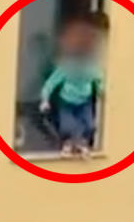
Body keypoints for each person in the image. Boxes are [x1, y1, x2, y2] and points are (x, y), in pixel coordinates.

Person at [39, 11, 107, 158]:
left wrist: (102, 90)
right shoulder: (67, 66)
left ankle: (82, 143)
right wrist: (45, 100)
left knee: (89, 124)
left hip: (84, 100)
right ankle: (69, 143)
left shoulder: (90, 66)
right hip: (67, 100)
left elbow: (98, 79)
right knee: (68, 125)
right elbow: (50, 83)